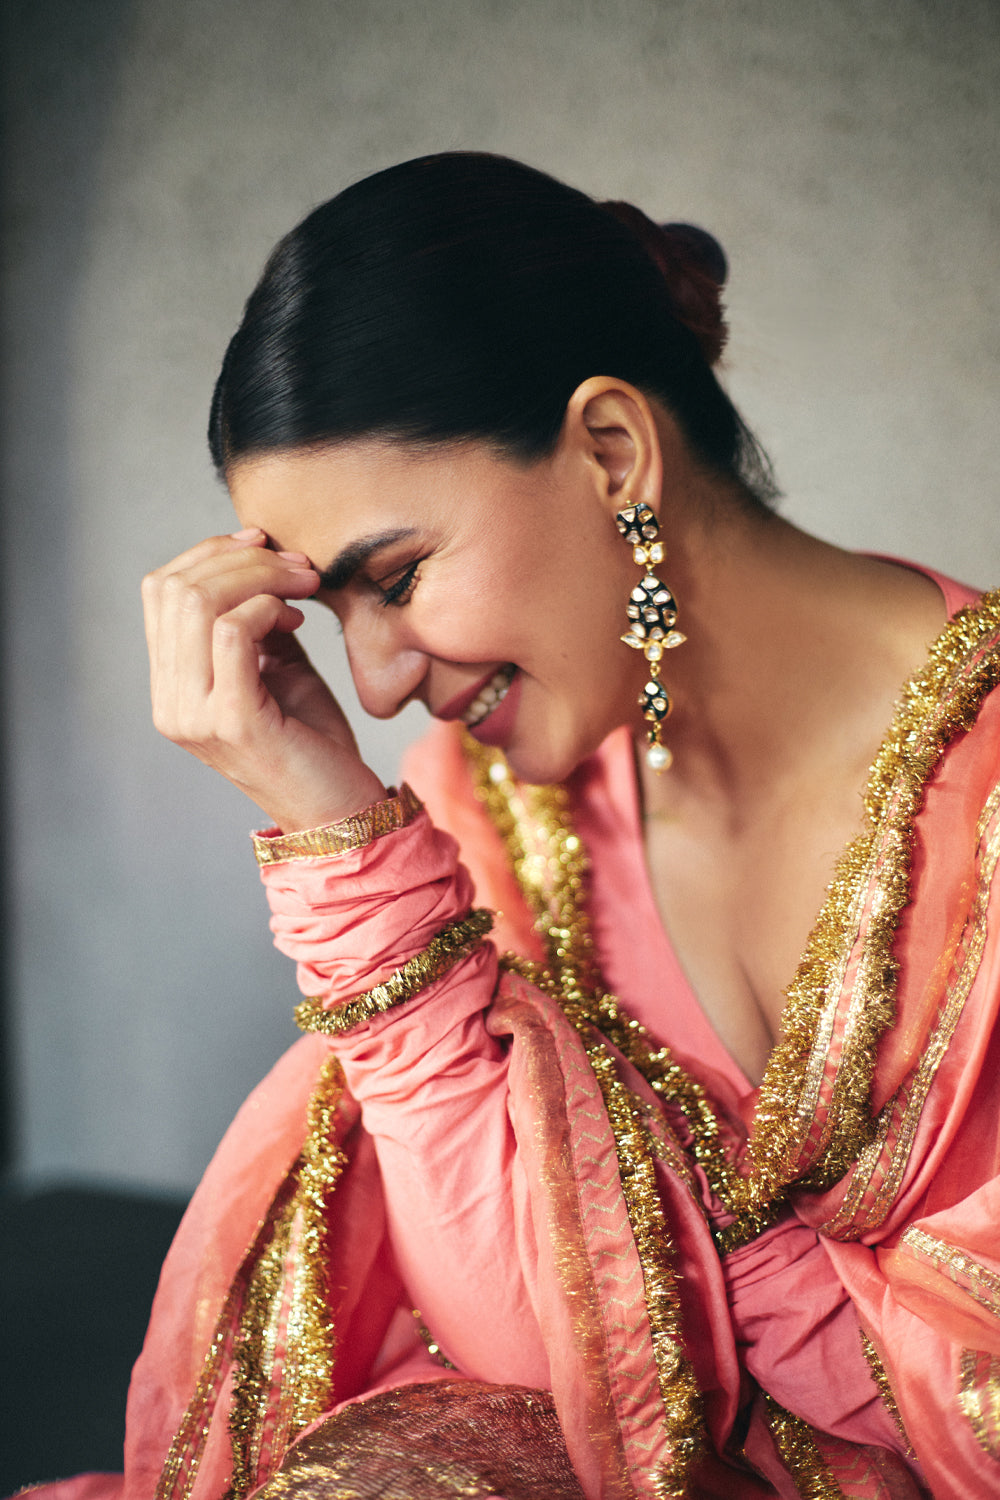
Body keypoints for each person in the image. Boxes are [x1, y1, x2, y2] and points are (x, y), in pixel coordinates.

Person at [44, 153, 1000, 1499]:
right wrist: (338, 838)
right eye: (335, 616)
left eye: (397, 579)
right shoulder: (492, 812)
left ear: (610, 451)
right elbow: (528, 1365)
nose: (377, 684)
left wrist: (639, 1258)